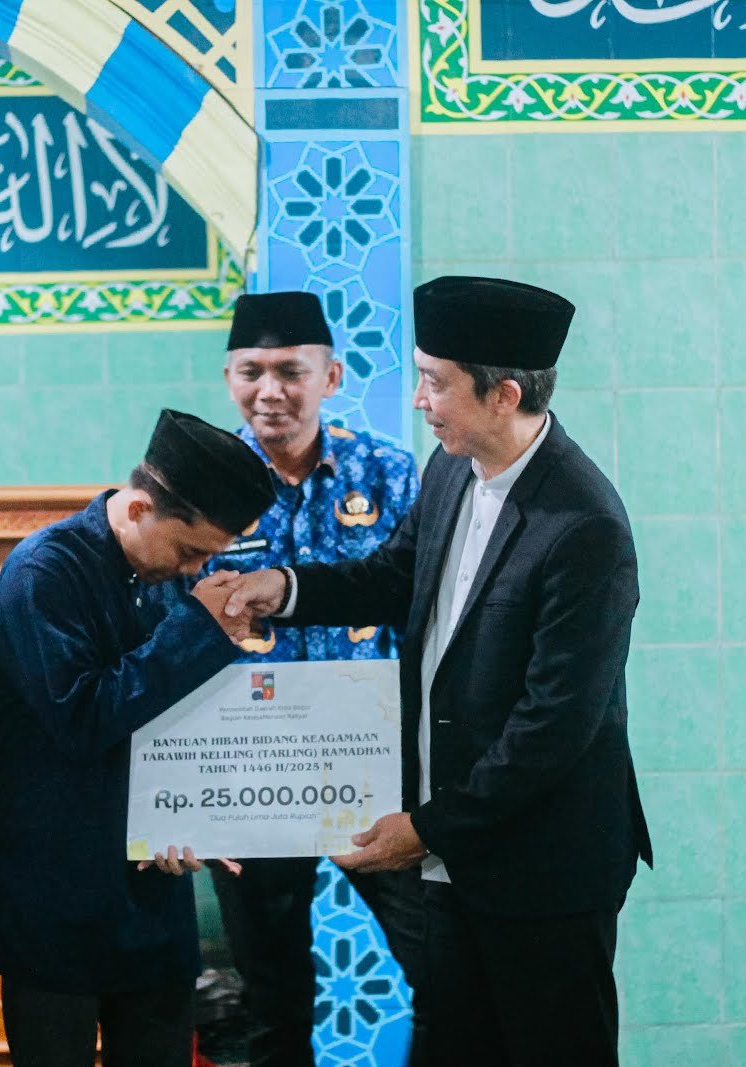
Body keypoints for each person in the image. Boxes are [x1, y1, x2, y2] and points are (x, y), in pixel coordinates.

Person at [224, 275, 652, 1065]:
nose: (420, 400)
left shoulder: (583, 526)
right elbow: (395, 575)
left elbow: (552, 727)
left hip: (540, 868)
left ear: (504, 395)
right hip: (453, 855)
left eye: (434, 382)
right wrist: (283, 588)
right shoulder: (453, 467)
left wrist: (421, 829)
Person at [0, 408, 275, 1067]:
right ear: (139, 508)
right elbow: (84, 718)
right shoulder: (44, 572)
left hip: (152, 892)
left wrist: (195, 815)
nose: (196, 568)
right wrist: (198, 629)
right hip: (57, 890)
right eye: (190, 551)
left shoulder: (167, 577)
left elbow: (182, 725)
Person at [208, 290, 427, 1066]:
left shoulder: (390, 472)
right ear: (229, 377)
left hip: (372, 770)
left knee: (443, 967)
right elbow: (168, 632)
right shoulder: (202, 482)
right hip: (251, 774)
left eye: (291, 371)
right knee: (271, 1003)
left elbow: (422, 613)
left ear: (330, 377)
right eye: (252, 371)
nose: (270, 390)